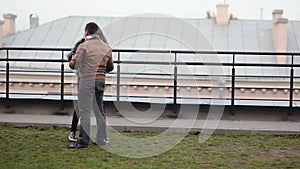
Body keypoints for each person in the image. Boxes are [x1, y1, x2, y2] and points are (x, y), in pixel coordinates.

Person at [68, 22, 114, 148]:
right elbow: (110, 68)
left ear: (87, 32)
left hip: (86, 81)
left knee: (85, 112)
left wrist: (73, 58)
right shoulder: (106, 48)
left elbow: (74, 65)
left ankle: (83, 141)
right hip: (100, 81)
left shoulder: (84, 46)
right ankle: (101, 139)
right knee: (100, 110)